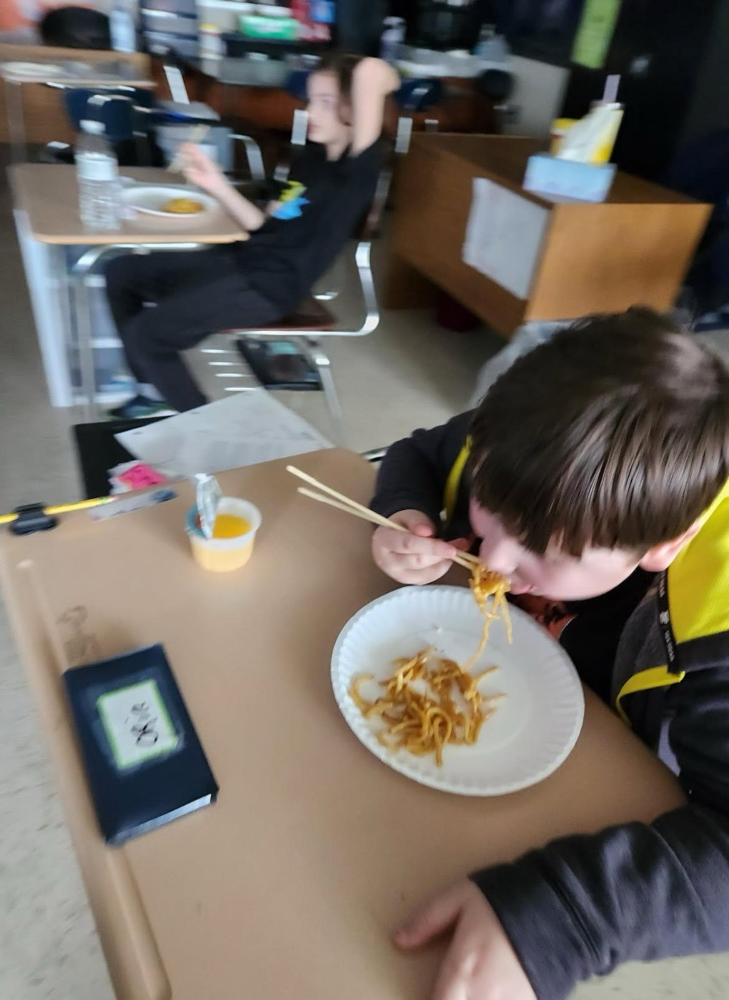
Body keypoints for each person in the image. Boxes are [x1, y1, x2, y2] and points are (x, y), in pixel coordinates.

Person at [369, 308, 729, 1000]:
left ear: (667, 544)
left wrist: (567, 915)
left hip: (586, 807)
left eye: (550, 551)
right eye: (488, 508)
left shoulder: (711, 631)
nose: (497, 563)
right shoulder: (524, 445)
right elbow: (418, 453)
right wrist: (405, 515)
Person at [104, 53, 399, 418]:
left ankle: (204, 432)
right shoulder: (313, 158)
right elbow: (263, 224)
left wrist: (364, 83)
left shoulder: (357, 170)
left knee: (147, 336)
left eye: (325, 103)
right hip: (239, 261)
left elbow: (374, 71)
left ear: (355, 109)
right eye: (310, 101)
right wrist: (215, 182)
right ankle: (153, 390)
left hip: (269, 287)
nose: (310, 112)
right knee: (120, 273)